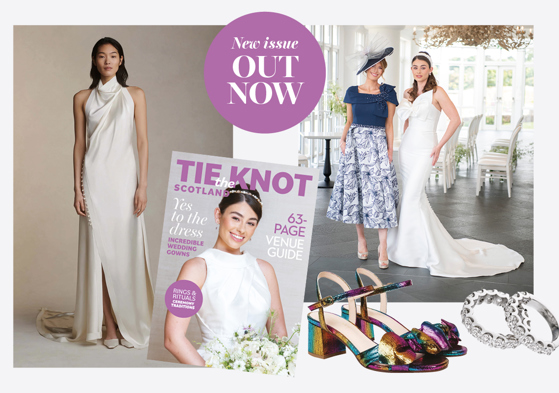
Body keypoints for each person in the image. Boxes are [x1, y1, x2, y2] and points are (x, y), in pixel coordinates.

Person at [37, 37, 153, 349]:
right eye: (101, 56)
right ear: (94, 60)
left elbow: (142, 142)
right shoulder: (82, 97)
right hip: (95, 180)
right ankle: (111, 326)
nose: (107, 61)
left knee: (124, 252)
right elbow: (79, 145)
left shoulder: (135, 95)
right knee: (99, 254)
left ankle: (129, 321)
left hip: (125, 181)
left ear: (122, 59)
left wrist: (142, 185)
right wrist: (77, 188)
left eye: (113, 56)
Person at [386, 51, 524, 277]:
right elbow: (407, 120)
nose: (418, 70)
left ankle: (414, 251)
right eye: (414, 67)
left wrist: (439, 145)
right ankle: (408, 247)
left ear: (430, 69)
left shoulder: (437, 92)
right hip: (408, 149)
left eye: (422, 67)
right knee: (411, 197)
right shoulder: (408, 92)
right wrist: (403, 139)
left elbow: (456, 119)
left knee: (412, 196)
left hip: (426, 148)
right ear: (411, 70)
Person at [164, 185, 287, 365]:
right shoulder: (195, 268)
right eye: (236, 218)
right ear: (218, 215)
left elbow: (279, 335)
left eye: (250, 223)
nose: (241, 229)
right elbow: (172, 339)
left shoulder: (265, 270)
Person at [326, 38, 399, 269]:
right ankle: (361, 240)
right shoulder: (351, 92)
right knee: (356, 191)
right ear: (365, 69)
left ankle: (383, 246)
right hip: (355, 145)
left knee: (381, 192)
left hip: (378, 145)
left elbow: (389, 124)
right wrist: (343, 138)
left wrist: (389, 149)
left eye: (380, 67)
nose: (377, 71)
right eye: (373, 67)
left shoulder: (388, 92)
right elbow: (349, 121)